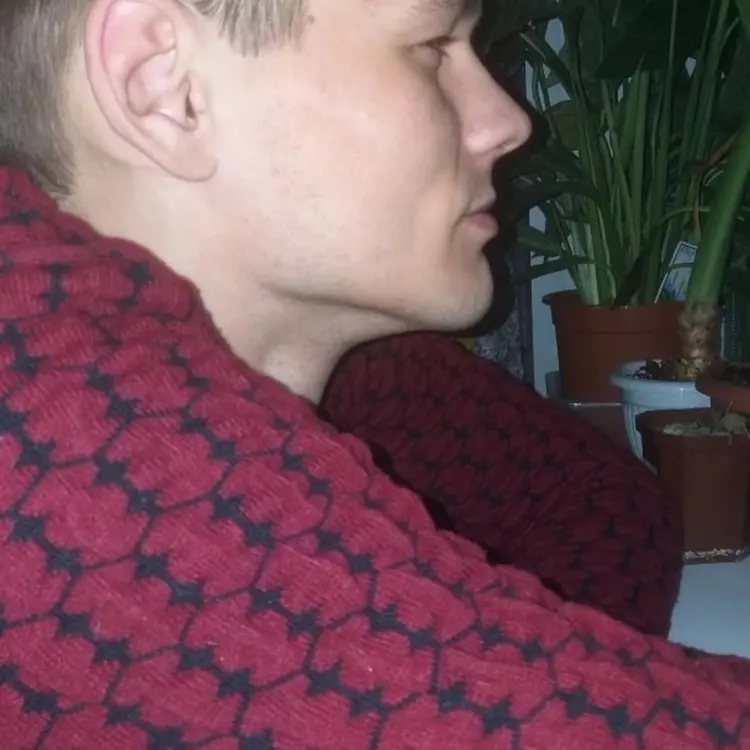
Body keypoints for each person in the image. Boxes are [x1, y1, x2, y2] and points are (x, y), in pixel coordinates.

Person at [0, 1, 748, 749]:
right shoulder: (74, 454)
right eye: (432, 46)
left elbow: (594, 497)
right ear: (165, 87)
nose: (509, 123)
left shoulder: (359, 369)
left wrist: (520, 648)